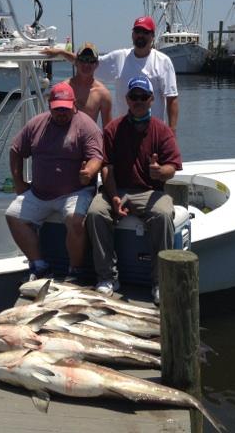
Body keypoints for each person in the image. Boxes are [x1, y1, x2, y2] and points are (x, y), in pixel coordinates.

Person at [85, 75, 182, 305]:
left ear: (151, 100)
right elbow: (106, 167)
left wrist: (161, 172)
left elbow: (173, 167)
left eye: (143, 96)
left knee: (163, 215)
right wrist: (114, 195)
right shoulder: (112, 129)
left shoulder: (162, 130)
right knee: (95, 212)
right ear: (127, 99)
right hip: (118, 188)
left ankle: (159, 282)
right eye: (133, 96)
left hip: (151, 191)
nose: (138, 100)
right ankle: (107, 278)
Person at [6, 81, 104, 282]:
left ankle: (75, 271)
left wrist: (89, 172)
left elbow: (97, 157)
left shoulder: (86, 126)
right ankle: (40, 265)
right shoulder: (36, 124)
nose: (62, 113)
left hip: (76, 191)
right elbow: (15, 150)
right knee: (13, 215)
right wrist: (18, 181)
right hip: (39, 192)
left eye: (66, 109)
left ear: (74, 105)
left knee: (75, 221)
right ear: (49, 105)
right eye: (57, 109)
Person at [44, 16, 179, 131]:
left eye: (145, 32)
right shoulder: (120, 57)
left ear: (152, 36)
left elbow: (172, 99)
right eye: (137, 31)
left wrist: (172, 131)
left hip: (153, 130)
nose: (141, 35)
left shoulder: (163, 61)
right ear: (132, 34)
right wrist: (62, 53)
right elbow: (88, 64)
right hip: (125, 130)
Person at [67, 43, 112, 126]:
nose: (86, 64)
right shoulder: (64, 88)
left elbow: (108, 130)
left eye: (91, 60)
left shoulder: (103, 94)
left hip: (88, 138)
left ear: (97, 64)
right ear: (76, 62)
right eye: (83, 59)